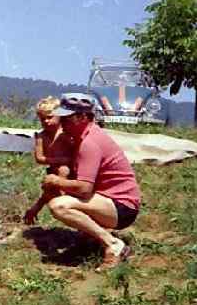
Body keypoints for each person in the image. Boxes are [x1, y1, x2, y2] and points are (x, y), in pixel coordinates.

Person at [40, 93, 141, 269]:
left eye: (67, 118)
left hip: (122, 207)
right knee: (68, 199)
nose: (62, 123)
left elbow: (85, 189)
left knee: (59, 206)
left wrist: (56, 181)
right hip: (112, 200)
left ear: (83, 117)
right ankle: (90, 239)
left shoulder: (89, 143)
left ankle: (113, 244)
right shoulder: (85, 136)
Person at [23, 96, 73, 226]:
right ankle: (41, 208)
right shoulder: (41, 136)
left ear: (60, 116)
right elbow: (39, 158)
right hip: (53, 169)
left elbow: (76, 154)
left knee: (62, 172)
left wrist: (66, 161)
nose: (46, 121)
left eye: (50, 117)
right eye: (42, 118)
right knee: (51, 187)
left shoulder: (66, 134)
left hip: (70, 169)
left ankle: (37, 209)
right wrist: (60, 160)